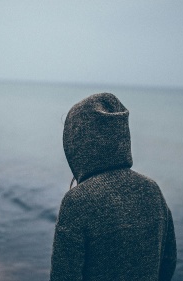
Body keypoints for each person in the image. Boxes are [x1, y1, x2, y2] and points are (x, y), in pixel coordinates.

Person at [50, 93, 176, 281]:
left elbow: (64, 276)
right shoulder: (152, 190)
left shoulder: (77, 201)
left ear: (76, 143)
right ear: (122, 136)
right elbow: (169, 261)